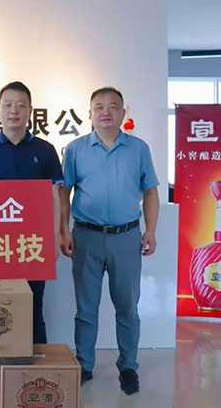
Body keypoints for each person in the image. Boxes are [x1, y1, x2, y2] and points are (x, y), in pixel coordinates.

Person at [59, 87, 159, 395]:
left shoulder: (138, 149)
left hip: (126, 238)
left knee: (127, 307)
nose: (106, 112)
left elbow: (150, 192)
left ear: (123, 113)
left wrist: (151, 230)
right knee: (86, 309)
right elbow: (64, 192)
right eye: (99, 106)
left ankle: (128, 367)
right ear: (89, 113)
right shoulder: (75, 149)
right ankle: (85, 364)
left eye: (113, 106)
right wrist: (63, 229)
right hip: (86, 237)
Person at [0, 81, 63, 345]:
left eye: (21, 105)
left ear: (30, 110)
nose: (14, 111)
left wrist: (54, 237)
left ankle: (37, 360)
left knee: (33, 305)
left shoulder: (45, 150)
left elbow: (54, 197)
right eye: (8, 105)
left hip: (32, 243)